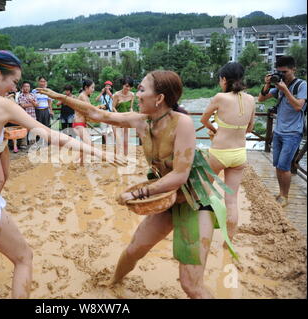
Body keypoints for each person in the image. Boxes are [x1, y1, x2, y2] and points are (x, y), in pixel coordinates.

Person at [0, 49, 121, 299]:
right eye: (13, 82)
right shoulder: (3, 105)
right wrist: (97, 151)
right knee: (24, 258)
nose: (14, 88)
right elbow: (50, 134)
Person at [37, 70, 237, 299]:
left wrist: (139, 193)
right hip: (166, 198)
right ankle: (113, 282)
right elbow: (96, 113)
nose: (137, 94)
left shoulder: (182, 123)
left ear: (159, 98)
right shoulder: (141, 121)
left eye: (142, 90)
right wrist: (60, 97)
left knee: (190, 285)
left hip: (194, 201)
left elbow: (180, 175)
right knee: (134, 250)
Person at [200, 62, 255, 243]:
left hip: (219, 152)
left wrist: (216, 131)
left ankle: (198, 232)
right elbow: (250, 128)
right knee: (231, 200)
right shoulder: (251, 99)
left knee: (203, 193)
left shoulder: (220, 97)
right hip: (239, 153)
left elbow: (204, 119)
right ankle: (229, 242)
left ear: (224, 79)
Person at [258, 56, 307, 208]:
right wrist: (267, 84)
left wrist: (285, 90)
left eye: (284, 72)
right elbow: (261, 99)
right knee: (278, 165)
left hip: (293, 132)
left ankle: (285, 196)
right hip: (278, 131)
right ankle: (280, 193)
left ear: (293, 69)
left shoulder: (301, 85)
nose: (282, 75)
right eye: (279, 72)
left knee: (284, 166)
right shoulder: (279, 85)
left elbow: (298, 106)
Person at [112, 77, 135, 155]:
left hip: (127, 120)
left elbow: (131, 107)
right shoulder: (117, 94)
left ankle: (125, 157)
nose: (128, 88)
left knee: (126, 141)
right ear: (123, 85)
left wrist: (132, 112)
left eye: (129, 86)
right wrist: (118, 115)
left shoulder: (132, 95)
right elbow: (113, 107)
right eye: (126, 86)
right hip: (117, 120)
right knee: (119, 141)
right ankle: (118, 157)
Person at [17, 81, 38, 148]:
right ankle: (23, 144)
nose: (26, 88)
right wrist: (32, 104)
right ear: (22, 87)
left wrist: (31, 100)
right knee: (24, 129)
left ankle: (32, 143)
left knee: (33, 129)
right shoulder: (20, 96)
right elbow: (22, 105)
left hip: (32, 115)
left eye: (28, 86)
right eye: (25, 86)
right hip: (24, 116)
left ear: (30, 88)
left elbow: (37, 105)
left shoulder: (32, 95)